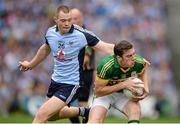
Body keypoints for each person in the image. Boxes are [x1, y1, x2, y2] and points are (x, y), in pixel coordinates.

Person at [18, 5, 114, 123]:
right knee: (51, 116)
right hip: (55, 81)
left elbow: (106, 47)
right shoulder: (50, 33)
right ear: (56, 20)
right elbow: (45, 49)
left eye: (69, 20)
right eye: (63, 20)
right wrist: (31, 64)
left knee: (41, 115)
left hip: (71, 83)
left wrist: (128, 53)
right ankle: (84, 111)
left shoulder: (81, 34)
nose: (67, 23)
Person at [88, 40, 150, 124]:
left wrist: (146, 87)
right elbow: (98, 92)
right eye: (128, 56)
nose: (133, 58)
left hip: (123, 95)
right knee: (94, 121)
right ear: (119, 58)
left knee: (135, 111)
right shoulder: (106, 66)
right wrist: (123, 84)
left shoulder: (138, 62)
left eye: (133, 54)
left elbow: (143, 70)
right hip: (104, 96)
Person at [69, 8, 95, 123]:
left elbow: (87, 52)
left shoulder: (85, 33)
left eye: (75, 18)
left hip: (84, 72)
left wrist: (86, 57)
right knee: (67, 102)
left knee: (82, 102)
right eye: (71, 19)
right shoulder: (68, 34)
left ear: (81, 19)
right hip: (71, 73)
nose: (73, 21)